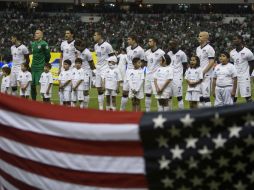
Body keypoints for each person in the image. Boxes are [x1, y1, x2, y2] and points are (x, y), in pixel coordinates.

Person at [120, 34, 145, 111]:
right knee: (125, 92)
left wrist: (138, 72)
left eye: (129, 39)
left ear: (134, 40)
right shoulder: (128, 49)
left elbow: (143, 62)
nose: (128, 41)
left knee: (136, 96)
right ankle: (122, 111)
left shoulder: (140, 50)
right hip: (128, 72)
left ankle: (138, 114)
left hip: (137, 73)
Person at [230, 35, 254, 103]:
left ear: (240, 40)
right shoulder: (232, 52)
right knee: (233, 96)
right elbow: (231, 64)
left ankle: (251, 112)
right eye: (233, 39)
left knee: (248, 97)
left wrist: (248, 74)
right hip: (235, 77)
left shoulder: (248, 52)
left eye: (235, 39)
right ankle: (232, 112)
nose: (233, 41)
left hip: (244, 77)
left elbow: (252, 64)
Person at [93, 31, 114, 110]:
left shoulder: (107, 45)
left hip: (105, 68)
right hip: (98, 68)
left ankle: (110, 107)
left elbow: (113, 57)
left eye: (95, 35)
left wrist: (110, 68)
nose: (93, 37)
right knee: (99, 88)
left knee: (107, 88)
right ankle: (101, 108)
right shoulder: (95, 46)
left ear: (100, 35)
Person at [144, 37, 165, 112]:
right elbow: (146, 63)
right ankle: (147, 112)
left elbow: (164, 63)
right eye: (148, 41)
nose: (148, 43)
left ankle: (159, 112)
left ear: (155, 42)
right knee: (147, 94)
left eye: (150, 41)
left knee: (158, 95)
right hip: (148, 76)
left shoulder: (161, 52)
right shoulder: (146, 53)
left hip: (157, 77)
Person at [196, 31, 215, 107]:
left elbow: (211, 62)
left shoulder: (209, 48)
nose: (199, 37)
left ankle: (208, 114)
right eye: (199, 36)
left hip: (207, 75)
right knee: (200, 96)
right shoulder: (198, 48)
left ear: (206, 38)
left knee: (206, 96)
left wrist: (203, 72)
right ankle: (201, 114)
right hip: (199, 74)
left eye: (200, 36)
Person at [74, 39, 95, 108]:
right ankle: (81, 106)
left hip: (87, 73)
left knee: (85, 91)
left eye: (77, 46)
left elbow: (91, 64)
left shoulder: (87, 53)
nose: (76, 48)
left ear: (80, 46)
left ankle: (85, 107)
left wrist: (94, 74)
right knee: (80, 89)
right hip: (80, 72)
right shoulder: (78, 51)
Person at [31, 29, 51, 100]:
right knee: (32, 85)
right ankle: (33, 100)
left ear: (41, 35)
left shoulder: (44, 44)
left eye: (37, 33)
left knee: (42, 84)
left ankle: (45, 100)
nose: (35, 34)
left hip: (40, 67)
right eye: (35, 33)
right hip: (33, 67)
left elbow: (48, 56)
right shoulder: (32, 44)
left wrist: (44, 64)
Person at [167, 39, 187, 109]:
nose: (169, 46)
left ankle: (181, 112)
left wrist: (181, 76)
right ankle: (170, 113)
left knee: (179, 96)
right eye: (169, 44)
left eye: (171, 44)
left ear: (175, 45)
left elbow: (185, 66)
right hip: (169, 77)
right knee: (169, 96)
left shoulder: (182, 54)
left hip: (177, 77)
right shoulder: (169, 53)